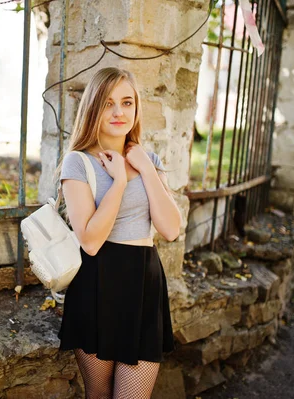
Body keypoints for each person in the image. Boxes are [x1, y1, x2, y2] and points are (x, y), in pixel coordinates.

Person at [56, 67, 182, 398]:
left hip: (144, 284)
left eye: (127, 103)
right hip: (98, 284)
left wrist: (145, 167)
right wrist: (121, 181)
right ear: (93, 108)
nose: (118, 112)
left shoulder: (148, 159)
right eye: (108, 103)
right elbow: (91, 241)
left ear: (136, 109)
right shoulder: (78, 163)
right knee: (98, 394)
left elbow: (170, 229)